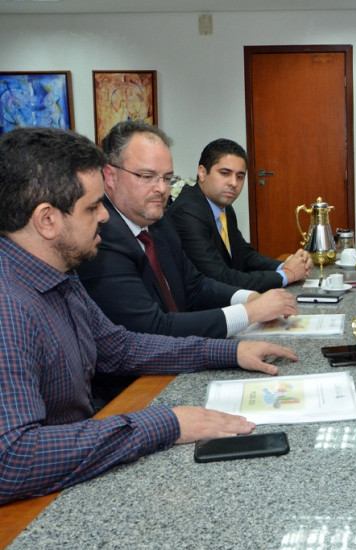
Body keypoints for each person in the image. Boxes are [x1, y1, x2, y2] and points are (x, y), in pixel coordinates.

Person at [0, 127, 298, 504]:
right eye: (92, 207)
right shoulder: (9, 305)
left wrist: (228, 353)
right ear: (47, 220)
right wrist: (166, 423)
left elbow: (119, 347)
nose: (104, 218)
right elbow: (12, 459)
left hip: (81, 465)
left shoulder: (61, 275)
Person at [77, 121, 296, 339]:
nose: (162, 189)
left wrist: (249, 298)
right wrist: (249, 313)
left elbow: (195, 285)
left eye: (167, 178)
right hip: (142, 371)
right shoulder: (99, 236)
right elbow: (154, 327)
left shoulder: (160, 224)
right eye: (147, 176)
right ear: (110, 176)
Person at [166, 138, 313, 292]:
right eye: (225, 173)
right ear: (202, 173)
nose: (234, 183)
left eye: (240, 176)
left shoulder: (224, 207)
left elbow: (243, 255)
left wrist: (286, 265)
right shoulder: (187, 213)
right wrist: (287, 275)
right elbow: (221, 278)